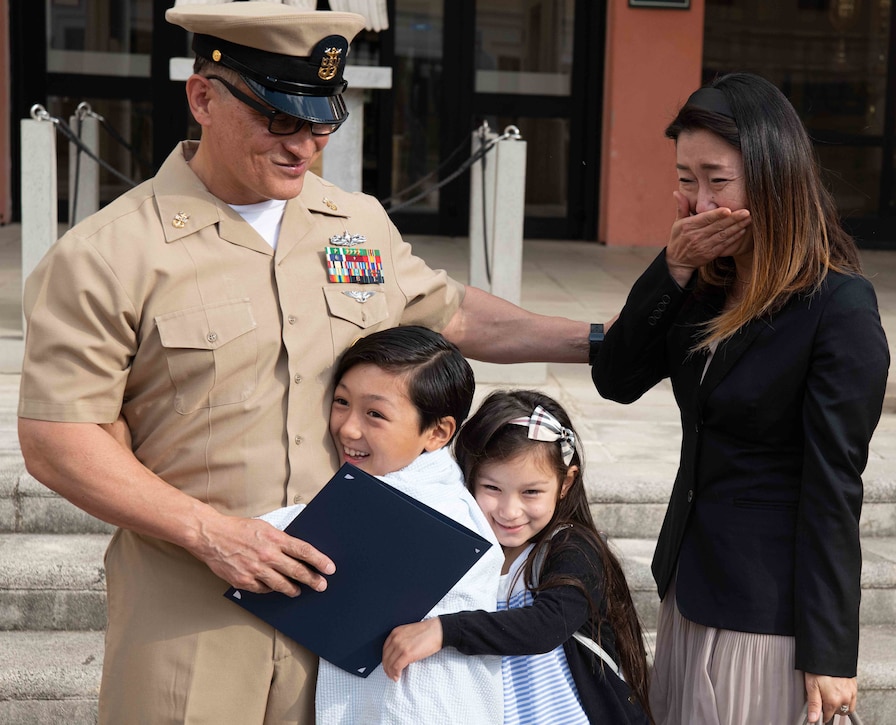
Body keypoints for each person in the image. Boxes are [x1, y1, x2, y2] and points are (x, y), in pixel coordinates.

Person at [16, 3, 606, 722]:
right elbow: (59, 436)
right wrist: (212, 533)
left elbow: (448, 313)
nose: (305, 146)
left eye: (322, 123)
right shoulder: (108, 253)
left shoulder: (352, 224)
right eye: (280, 120)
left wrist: (601, 341)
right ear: (203, 96)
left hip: (342, 628)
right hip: (192, 618)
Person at [591, 72, 890, 725]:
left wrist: (832, 650)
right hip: (689, 585)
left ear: (774, 174)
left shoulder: (838, 307)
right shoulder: (705, 284)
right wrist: (670, 268)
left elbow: (834, 486)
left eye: (717, 179)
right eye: (686, 178)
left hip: (766, 611)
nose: (698, 202)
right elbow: (615, 377)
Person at [258, 326, 503, 724]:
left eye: (375, 414)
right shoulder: (432, 492)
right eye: (341, 402)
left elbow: (278, 533)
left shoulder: (423, 512)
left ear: (437, 432)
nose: (348, 428)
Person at [382, 390, 653, 725]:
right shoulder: (464, 547)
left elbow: (547, 624)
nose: (510, 511)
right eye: (492, 488)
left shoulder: (572, 548)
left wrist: (443, 631)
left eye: (531, 492)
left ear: (565, 482)